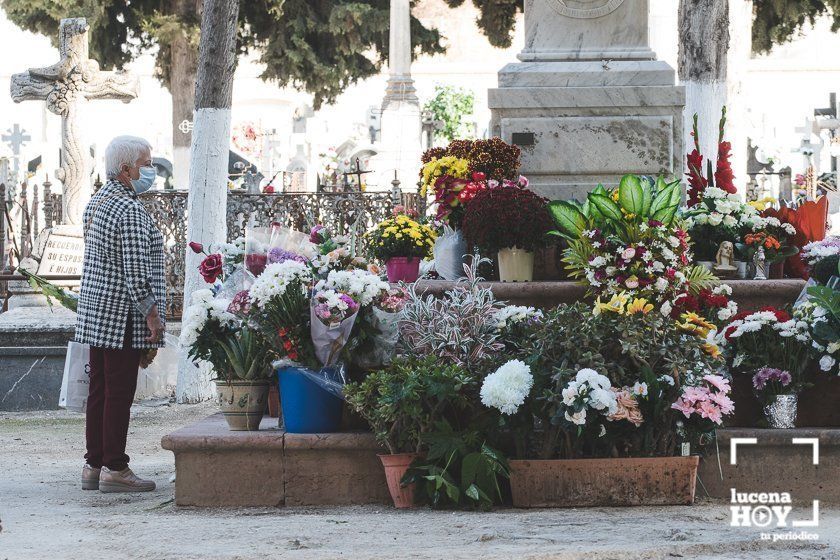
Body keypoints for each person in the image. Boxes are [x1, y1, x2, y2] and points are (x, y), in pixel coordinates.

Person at [75, 135, 166, 493]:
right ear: (126, 169)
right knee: (119, 392)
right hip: (123, 314)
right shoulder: (128, 210)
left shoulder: (97, 202)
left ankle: (93, 464)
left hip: (97, 311)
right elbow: (135, 272)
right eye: (146, 162)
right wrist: (152, 315)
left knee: (100, 389)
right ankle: (116, 467)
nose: (150, 169)